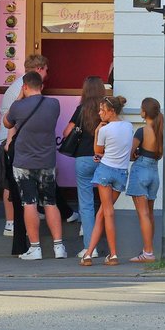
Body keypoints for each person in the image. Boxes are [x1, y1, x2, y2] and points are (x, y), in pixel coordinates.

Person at [3, 71, 65, 260]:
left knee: (29, 203)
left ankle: (35, 248)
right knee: (50, 202)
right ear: (41, 86)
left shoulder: (18, 106)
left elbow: (7, 123)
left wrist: (19, 98)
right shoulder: (54, 104)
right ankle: (59, 247)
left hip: (24, 162)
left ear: (24, 87)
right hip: (47, 161)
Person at [80, 96, 132, 266]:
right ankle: (88, 254)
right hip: (121, 173)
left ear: (112, 111)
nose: (99, 113)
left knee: (107, 213)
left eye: (102, 110)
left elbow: (97, 150)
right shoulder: (128, 126)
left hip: (105, 171)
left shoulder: (104, 130)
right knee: (102, 213)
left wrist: (96, 132)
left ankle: (113, 254)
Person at [0, 54, 48, 237]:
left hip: (13, 139)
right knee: (11, 183)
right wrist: (10, 142)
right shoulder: (25, 87)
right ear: (39, 69)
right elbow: (16, 118)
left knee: (18, 181)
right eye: (46, 70)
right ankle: (11, 223)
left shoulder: (19, 84)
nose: (47, 74)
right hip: (12, 140)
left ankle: (22, 218)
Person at [61, 76, 105, 260]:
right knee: (106, 204)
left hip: (83, 159)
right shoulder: (106, 109)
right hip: (103, 159)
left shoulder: (82, 110)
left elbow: (66, 132)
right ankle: (111, 248)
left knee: (86, 205)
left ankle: (90, 248)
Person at [126, 97, 164, 263]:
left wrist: (135, 155)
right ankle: (148, 250)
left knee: (143, 214)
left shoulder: (142, 131)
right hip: (154, 171)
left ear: (144, 112)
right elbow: (159, 154)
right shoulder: (161, 130)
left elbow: (130, 153)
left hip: (141, 169)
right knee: (149, 213)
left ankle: (148, 253)